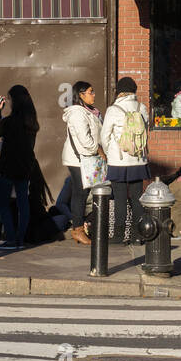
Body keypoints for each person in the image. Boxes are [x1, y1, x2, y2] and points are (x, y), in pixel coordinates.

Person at [101, 76, 150, 245]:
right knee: (137, 198)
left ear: (119, 91)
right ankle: (138, 235)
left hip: (118, 161)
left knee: (120, 198)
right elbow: (145, 133)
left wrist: (110, 153)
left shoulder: (113, 109)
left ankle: (119, 236)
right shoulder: (142, 107)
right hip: (138, 160)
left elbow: (104, 136)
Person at [0, 85, 40, 249]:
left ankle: (11, 238)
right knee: (22, 202)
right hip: (25, 165)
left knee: (3, 201)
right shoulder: (31, 121)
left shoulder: (11, 121)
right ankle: (20, 238)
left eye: (10, 99)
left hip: (9, 166)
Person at [60, 80, 102, 246]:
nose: (93, 95)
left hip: (85, 158)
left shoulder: (89, 111)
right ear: (81, 94)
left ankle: (79, 228)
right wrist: (97, 149)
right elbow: (85, 139)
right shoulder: (77, 113)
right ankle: (77, 230)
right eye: (90, 92)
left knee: (82, 193)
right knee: (80, 193)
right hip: (79, 159)